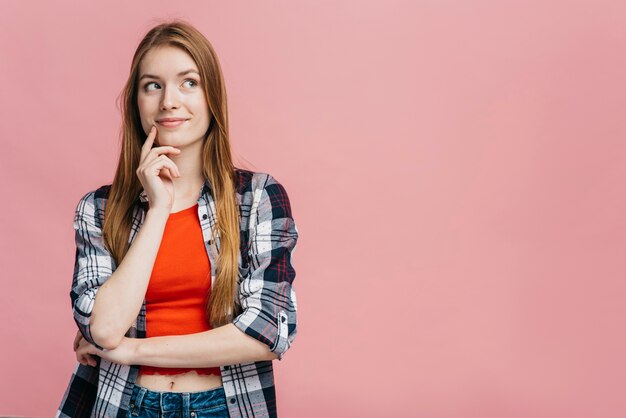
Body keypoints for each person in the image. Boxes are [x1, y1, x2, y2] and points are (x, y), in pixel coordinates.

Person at [56, 20, 299, 418]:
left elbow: (265, 331)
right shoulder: (98, 209)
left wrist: (131, 350)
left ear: (211, 97)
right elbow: (103, 330)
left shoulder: (257, 198)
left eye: (189, 82)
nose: (169, 100)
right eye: (153, 85)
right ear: (137, 101)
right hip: (126, 405)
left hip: (225, 405)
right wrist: (158, 210)